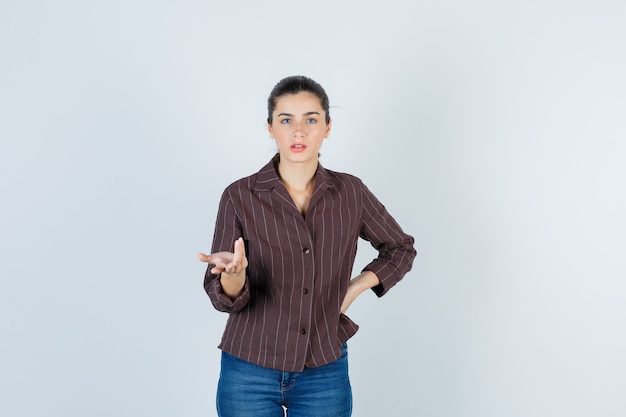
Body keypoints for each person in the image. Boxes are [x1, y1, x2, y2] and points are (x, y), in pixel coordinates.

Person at [198, 75, 416, 417]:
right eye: (286, 120)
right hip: (249, 369)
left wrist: (356, 286)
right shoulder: (239, 196)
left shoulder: (351, 193)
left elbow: (400, 248)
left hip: (324, 368)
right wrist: (234, 275)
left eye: (310, 119)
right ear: (270, 128)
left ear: (327, 127)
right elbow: (222, 294)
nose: (298, 131)